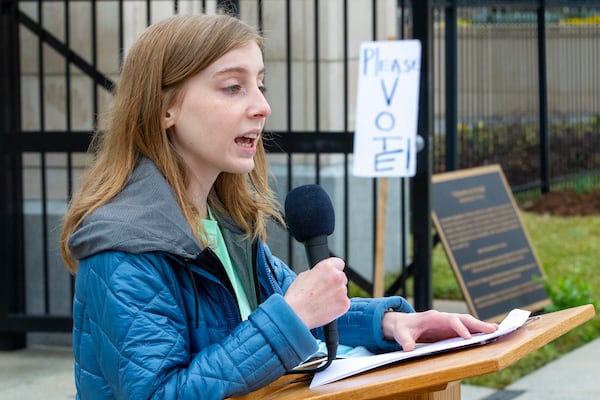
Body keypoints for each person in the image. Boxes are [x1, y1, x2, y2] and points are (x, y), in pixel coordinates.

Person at [60, 13, 497, 400]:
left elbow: (298, 311)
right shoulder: (123, 248)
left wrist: (389, 324)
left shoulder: (224, 223)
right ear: (165, 108)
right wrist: (290, 314)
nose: (262, 107)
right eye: (233, 87)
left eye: (259, 85)